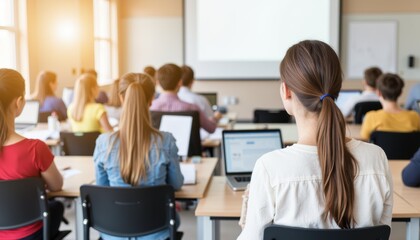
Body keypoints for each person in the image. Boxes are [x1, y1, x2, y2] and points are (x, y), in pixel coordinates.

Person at [237, 41, 393, 240]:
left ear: (286, 91)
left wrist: (246, 222)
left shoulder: (270, 168)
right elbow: (382, 231)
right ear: (336, 88)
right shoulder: (377, 158)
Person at [94, 72, 184, 240]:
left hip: (114, 232)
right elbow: (176, 184)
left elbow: (102, 188)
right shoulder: (166, 142)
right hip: (157, 230)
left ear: (122, 98)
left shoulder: (103, 143)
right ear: (151, 100)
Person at [0, 68, 64, 239]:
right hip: (32, 234)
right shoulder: (35, 149)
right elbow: (56, 186)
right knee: (57, 206)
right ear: (19, 102)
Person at [151, 63, 220, 133]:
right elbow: (211, 128)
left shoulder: (150, 107)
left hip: (158, 144)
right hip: (186, 144)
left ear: (157, 83)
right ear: (180, 82)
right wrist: (215, 118)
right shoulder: (193, 108)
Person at [360, 73, 420, 140]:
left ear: (378, 93)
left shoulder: (371, 117)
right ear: (400, 93)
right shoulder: (415, 117)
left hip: (381, 150)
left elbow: (364, 141)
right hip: (409, 150)